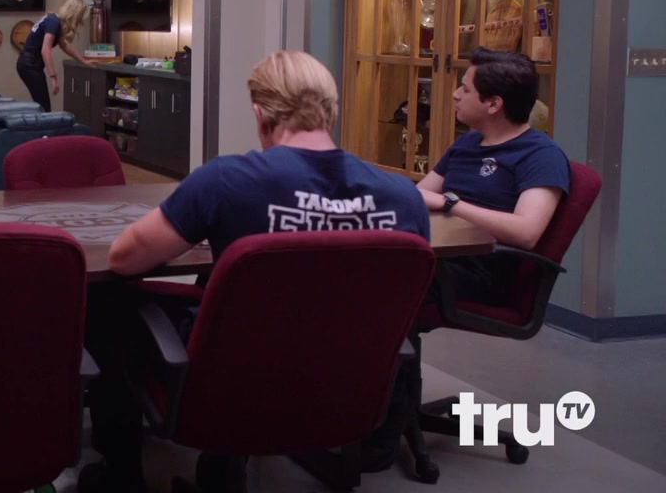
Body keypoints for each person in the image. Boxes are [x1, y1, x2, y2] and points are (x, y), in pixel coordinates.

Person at [79, 50, 431, 492]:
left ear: (260, 115)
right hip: (341, 389)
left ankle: (122, 475)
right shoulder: (404, 197)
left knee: (108, 300)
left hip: (231, 387)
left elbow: (124, 259)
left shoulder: (227, 180)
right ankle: (228, 461)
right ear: (332, 112)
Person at [417, 46, 570, 305]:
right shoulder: (467, 143)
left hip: (481, 273)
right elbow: (419, 195)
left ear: (493, 103)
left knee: (375, 275)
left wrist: (450, 203)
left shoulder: (541, 156)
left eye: (465, 89)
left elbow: (526, 232)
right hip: (440, 252)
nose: (455, 94)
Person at [15, 0, 96, 111]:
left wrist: (83, 60)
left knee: (41, 104)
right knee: (43, 106)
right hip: (29, 64)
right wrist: (53, 78)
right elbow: (45, 50)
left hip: (27, 62)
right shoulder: (53, 22)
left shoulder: (52, 19)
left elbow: (64, 45)